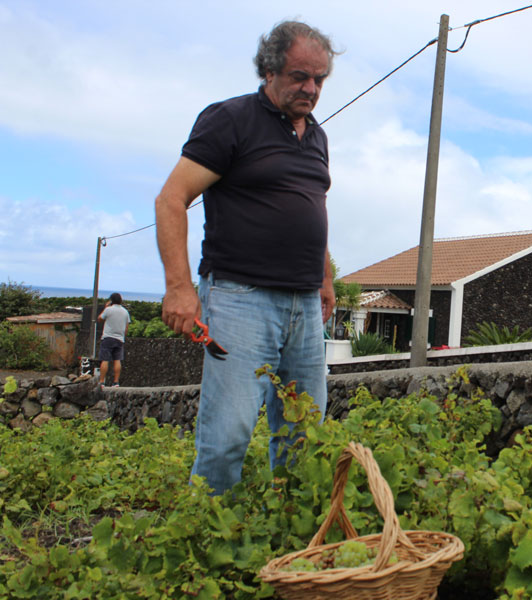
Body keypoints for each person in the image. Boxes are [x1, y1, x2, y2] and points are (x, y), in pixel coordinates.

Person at [154, 20, 337, 495]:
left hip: (303, 306)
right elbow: (171, 199)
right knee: (229, 434)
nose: (311, 88)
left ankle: (295, 540)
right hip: (240, 298)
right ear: (270, 69)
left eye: (319, 79)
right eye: (300, 76)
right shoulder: (230, 119)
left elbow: (312, 208)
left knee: (304, 431)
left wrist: (326, 279)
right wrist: (179, 288)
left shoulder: (316, 137)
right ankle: (202, 539)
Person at [97, 292, 131, 388]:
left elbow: (99, 319)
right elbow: (126, 327)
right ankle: (116, 382)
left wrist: (105, 307)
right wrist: (123, 337)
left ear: (111, 300)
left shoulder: (108, 310)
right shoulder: (125, 312)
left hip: (108, 337)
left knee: (105, 360)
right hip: (119, 338)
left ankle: (102, 382)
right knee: (117, 360)